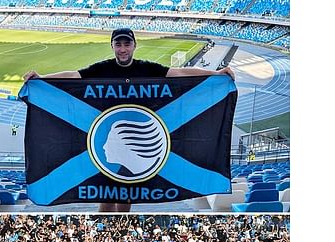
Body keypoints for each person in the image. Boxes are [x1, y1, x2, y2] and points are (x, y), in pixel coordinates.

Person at [23, 28, 235, 213]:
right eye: (118, 44)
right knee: (106, 197)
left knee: (125, 195)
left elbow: (179, 73)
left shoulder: (147, 68)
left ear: (134, 46)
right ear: (112, 46)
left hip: (130, 147)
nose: (122, 49)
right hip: (106, 142)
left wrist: (215, 74)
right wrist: (42, 79)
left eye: (127, 44)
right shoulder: (102, 68)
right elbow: (74, 76)